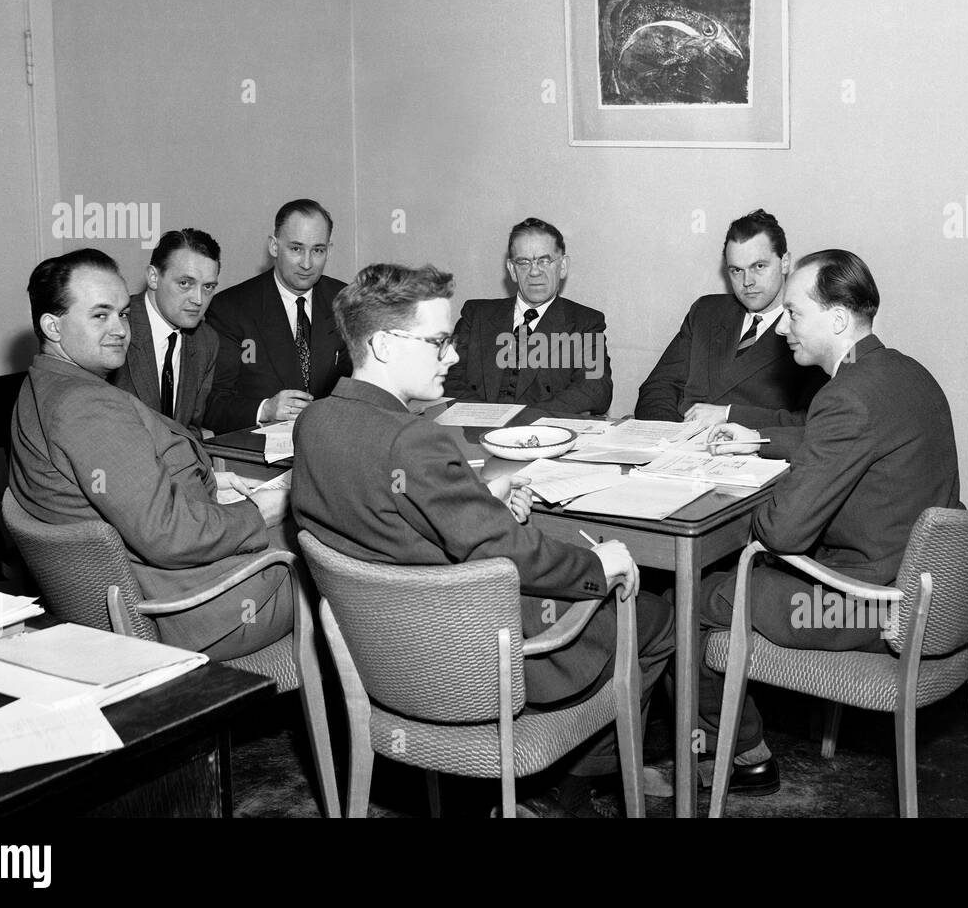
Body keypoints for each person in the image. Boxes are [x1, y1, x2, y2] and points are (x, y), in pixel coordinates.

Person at [292, 263, 674, 816]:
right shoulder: (413, 441)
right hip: (476, 665)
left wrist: (482, 503)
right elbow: (512, 554)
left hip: (385, 656)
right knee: (659, 617)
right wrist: (598, 561)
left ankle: (566, 782)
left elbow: (389, 523)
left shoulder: (316, 422)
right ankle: (574, 779)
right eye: (439, 342)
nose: (452, 356)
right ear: (382, 344)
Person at [696, 250, 962, 795]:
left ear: (837, 320)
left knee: (690, 598)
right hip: (926, 594)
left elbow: (782, 532)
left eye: (793, 314)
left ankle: (740, 756)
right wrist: (762, 439)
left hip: (859, 603)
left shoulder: (846, 396)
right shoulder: (905, 374)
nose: (783, 328)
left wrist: (743, 494)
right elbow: (849, 439)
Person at [9, 248, 294, 659]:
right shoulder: (87, 408)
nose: (121, 329)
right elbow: (168, 535)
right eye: (99, 315)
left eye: (123, 313)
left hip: (153, 587)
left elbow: (131, 486)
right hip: (194, 610)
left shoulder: (43, 386)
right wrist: (257, 514)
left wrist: (211, 483)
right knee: (338, 551)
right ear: (53, 326)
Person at [635, 209, 825, 437]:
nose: (747, 282)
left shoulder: (809, 327)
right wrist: (668, 437)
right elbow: (658, 387)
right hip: (680, 450)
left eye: (759, 267)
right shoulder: (706, 312)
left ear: (784, 263)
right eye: (736, 270)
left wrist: (729, 414)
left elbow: (811, 422)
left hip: (754, 455)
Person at [203, 198, 351, 432]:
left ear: (328, 250)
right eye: (296, 248)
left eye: (318, 250)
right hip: (257, 458)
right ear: (274, 246)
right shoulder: (230, 309)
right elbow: (210, 405)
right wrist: (265, 409)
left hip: (330, 445)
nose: (306, 263)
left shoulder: (345, 300)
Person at [443, 217, 612, 414]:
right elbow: (449, 377)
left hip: (544, 435)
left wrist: (525, 421)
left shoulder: (587, 323)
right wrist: (488, 419)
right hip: (476, 434)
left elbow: (596, 389)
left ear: (563, 266)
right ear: (512, 270)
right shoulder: (475, 315)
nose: (534, 271)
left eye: (545, 260)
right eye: (523, 262)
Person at [110, 228, 221, 435]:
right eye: (185, 283)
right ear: (153, 277)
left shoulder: (206, 340)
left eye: (208, 287)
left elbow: (190, 431)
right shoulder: (117, 328)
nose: (198, 299)